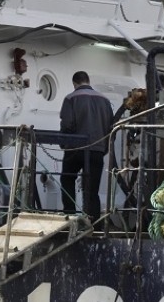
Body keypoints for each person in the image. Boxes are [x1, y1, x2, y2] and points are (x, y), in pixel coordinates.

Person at [59, 71, 114, 222]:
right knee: (92, 189)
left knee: (67, 180)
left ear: (74, 83)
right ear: (88, 81)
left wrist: (64, 144)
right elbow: (111, 127)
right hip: (97, 150)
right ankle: (93, 223)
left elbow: (67, 124)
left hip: (75, 149)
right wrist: (103, 148)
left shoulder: (70, 98)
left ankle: (69, 217)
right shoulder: (104, 100)